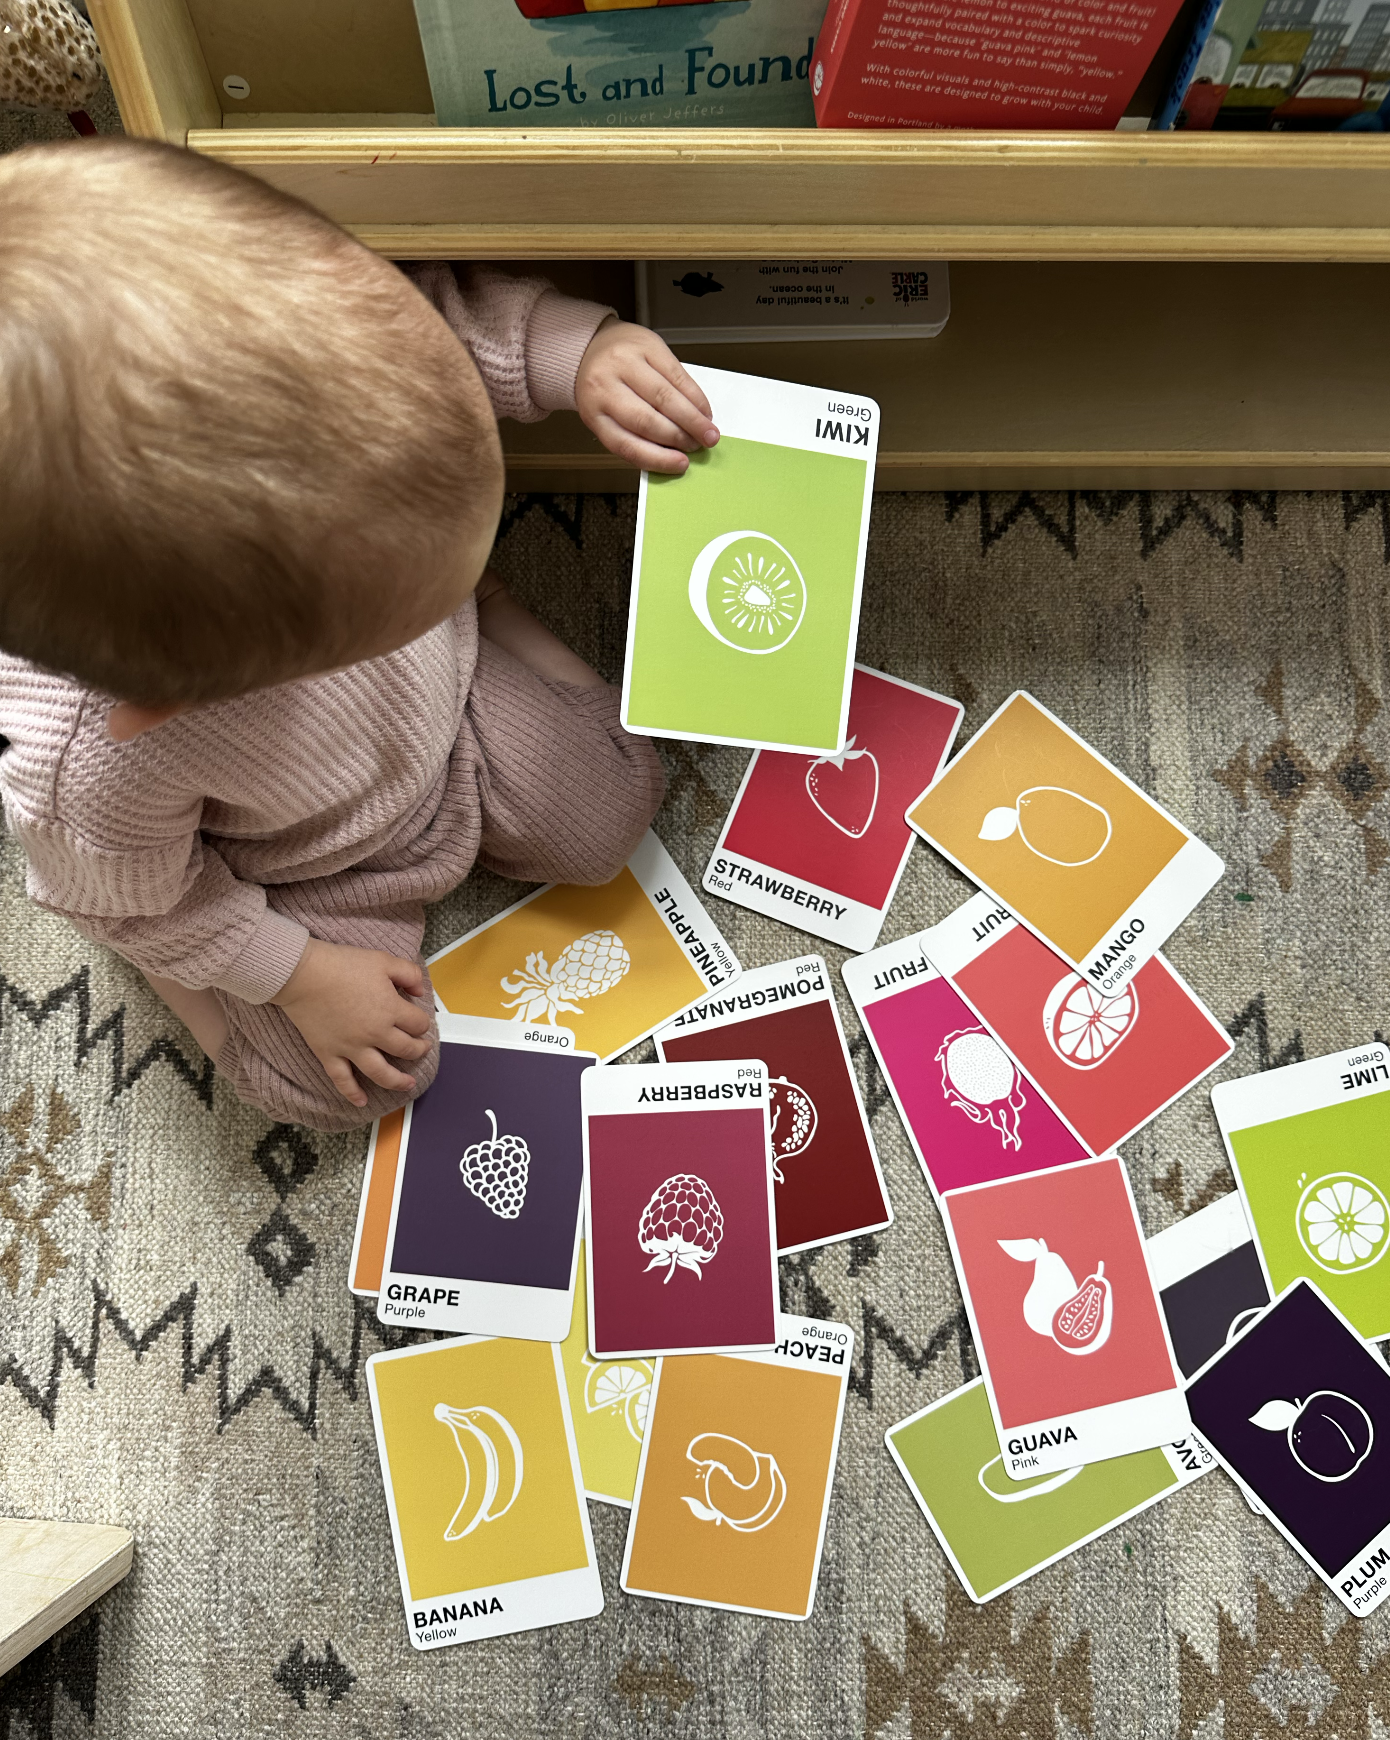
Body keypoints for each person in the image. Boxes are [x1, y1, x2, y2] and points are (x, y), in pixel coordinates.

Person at [0, 137, 719, 1131]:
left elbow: (439, 324)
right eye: (408, 599)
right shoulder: (91, 776)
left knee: (616, 808)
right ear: (175, 699)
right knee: (344, 1086)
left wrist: (576, 353)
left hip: (445, 713)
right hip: (308, 862)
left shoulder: (309, 329)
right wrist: (294, 975)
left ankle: (490, 611)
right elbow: (132, 901)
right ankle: (228, 993)